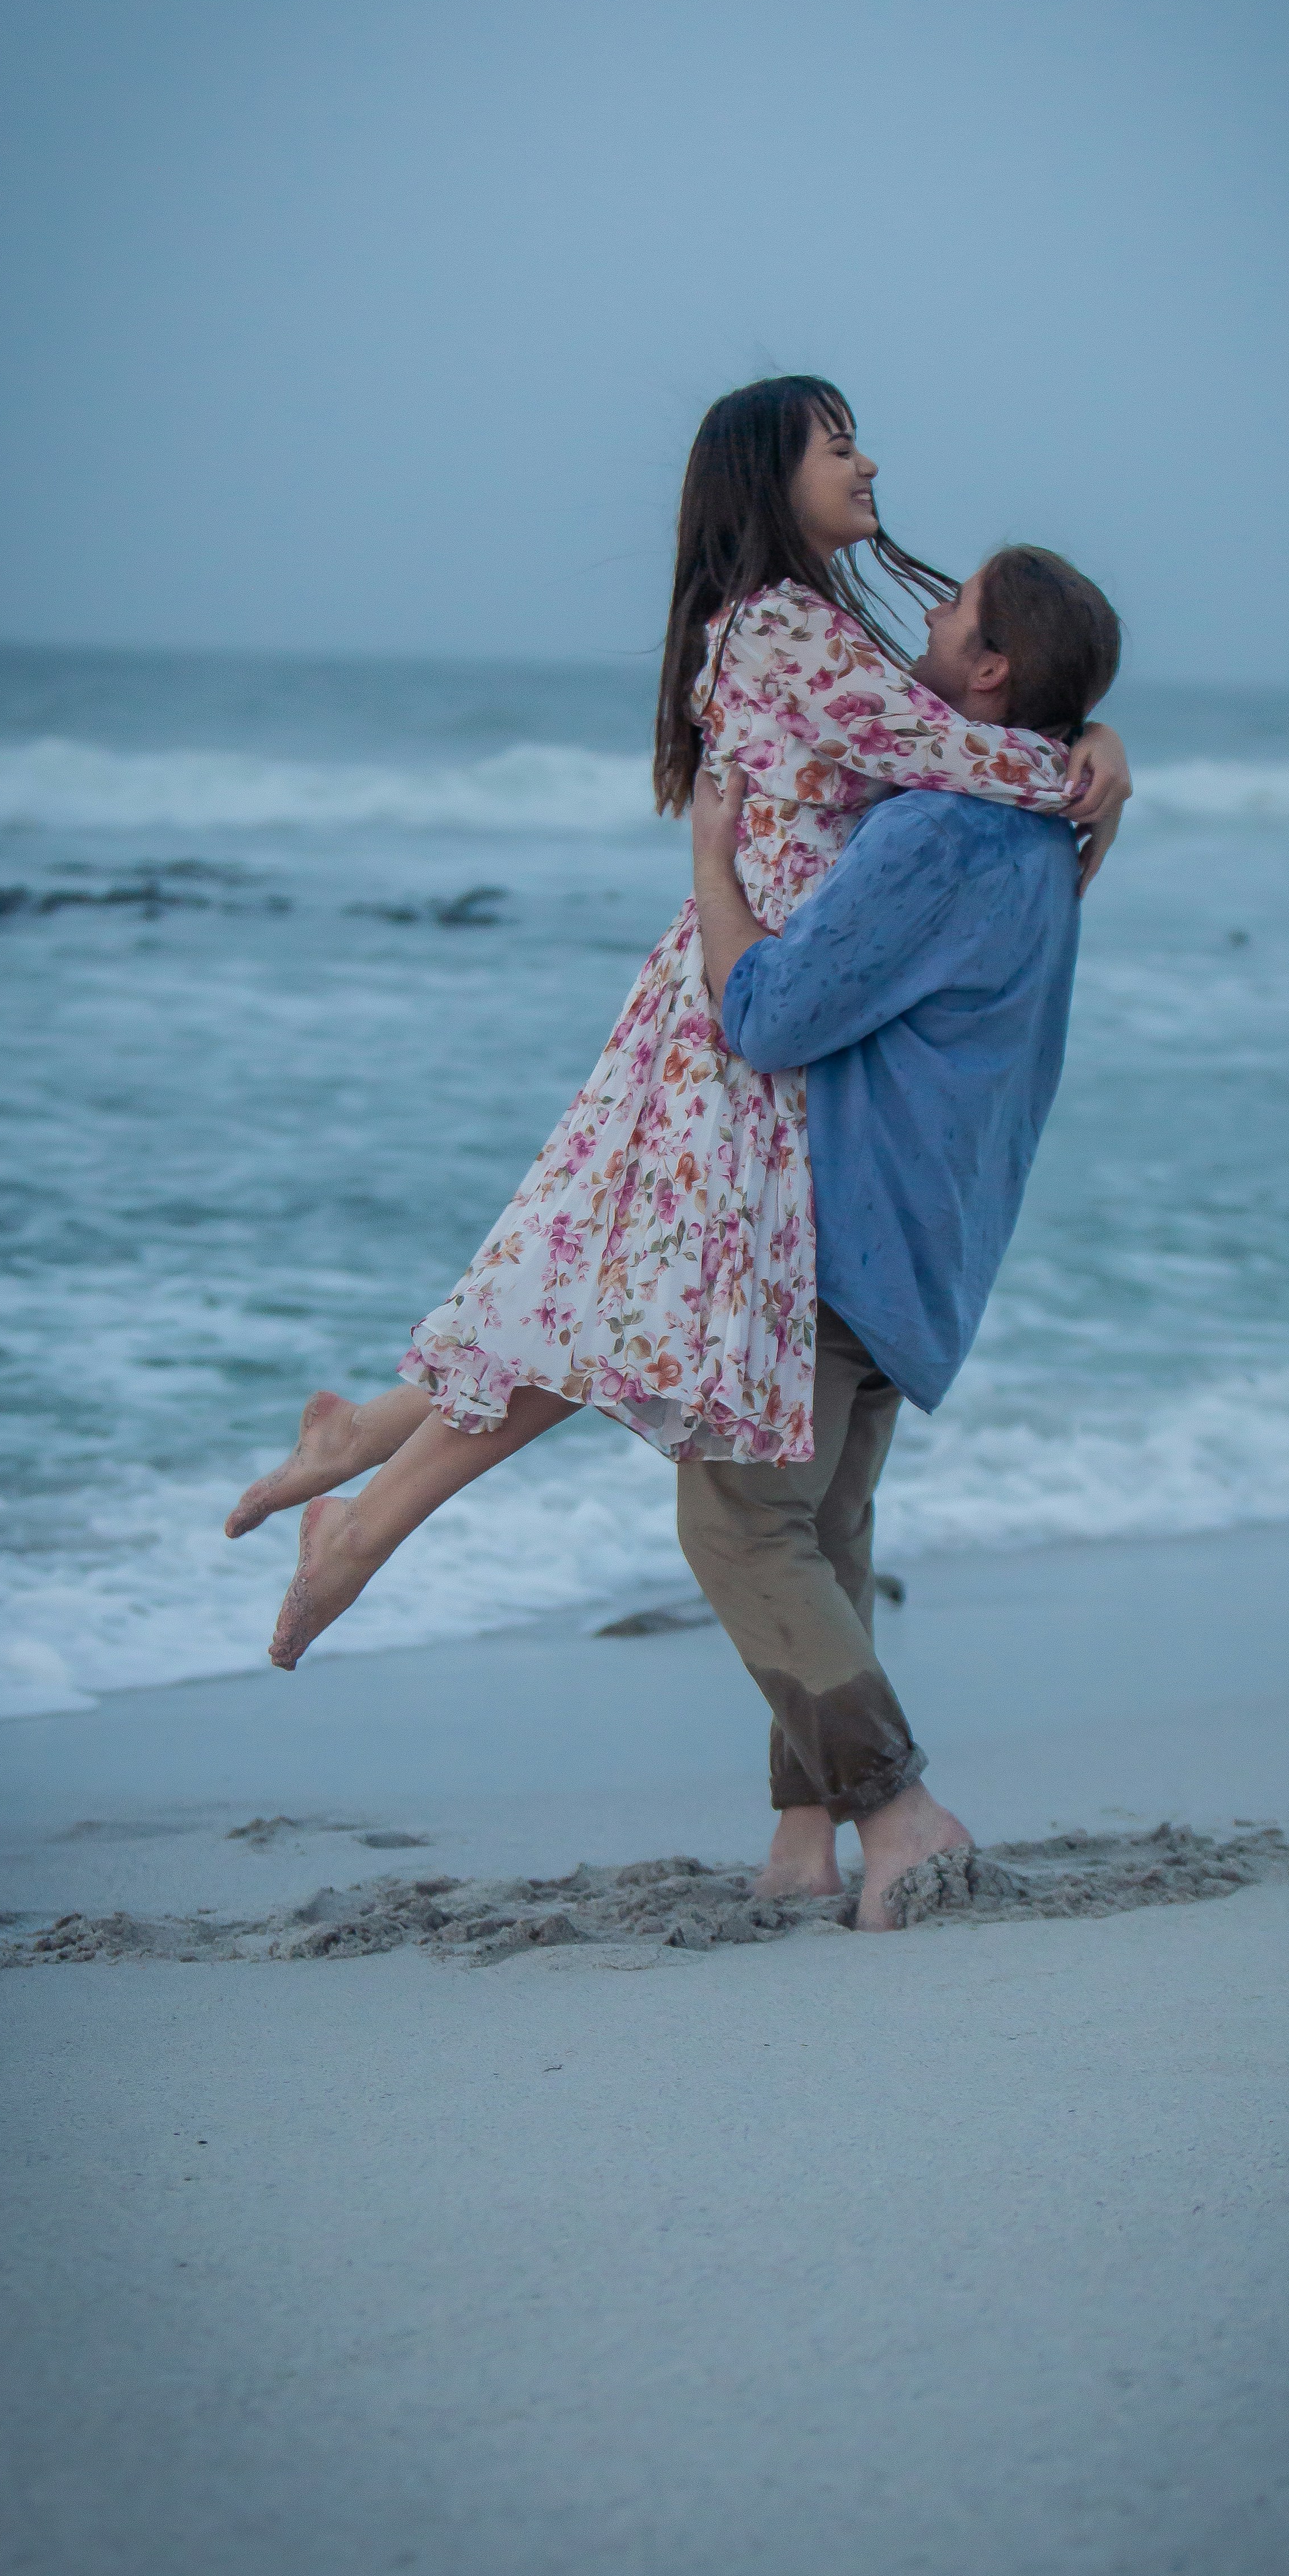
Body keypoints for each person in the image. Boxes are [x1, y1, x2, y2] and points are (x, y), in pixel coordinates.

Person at [225, 375, 1129, 1684]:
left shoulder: (801, 625)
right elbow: (970, 753)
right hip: (739, 1009)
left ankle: (356, 1447)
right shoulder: (780, 630)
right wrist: (1092, 762)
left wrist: (1092, 730)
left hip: (745, 988)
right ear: (771, 476)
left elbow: (939, 734)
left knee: (604, 1291)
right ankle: (357, 1527)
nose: (867, 463)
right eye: (837, 446)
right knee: (625, 1306)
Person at [679, 543, 1119, 1928]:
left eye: (951, 610)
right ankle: (805, 1842)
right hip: (936, 1239)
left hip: (847, 1229)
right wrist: (1099, 747)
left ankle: (897, 1808)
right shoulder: (1048, 828)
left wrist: (713, 861)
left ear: (987, 670)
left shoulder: (937, 829)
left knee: (738, 1519)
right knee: (826, 1524)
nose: (920, 619)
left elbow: (766, 1014)